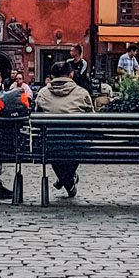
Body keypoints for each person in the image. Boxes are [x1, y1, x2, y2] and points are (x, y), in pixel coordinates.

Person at [34, 58, 94, 198]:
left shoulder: (43, 93)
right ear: (71, 75)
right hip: (77, 143)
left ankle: (65, 180)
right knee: (75, 143)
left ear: (52, 76)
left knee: (54, 146)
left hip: (50, 142)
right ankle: (67, 179)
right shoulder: (82, 93)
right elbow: (92, 119)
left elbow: (36, 116)